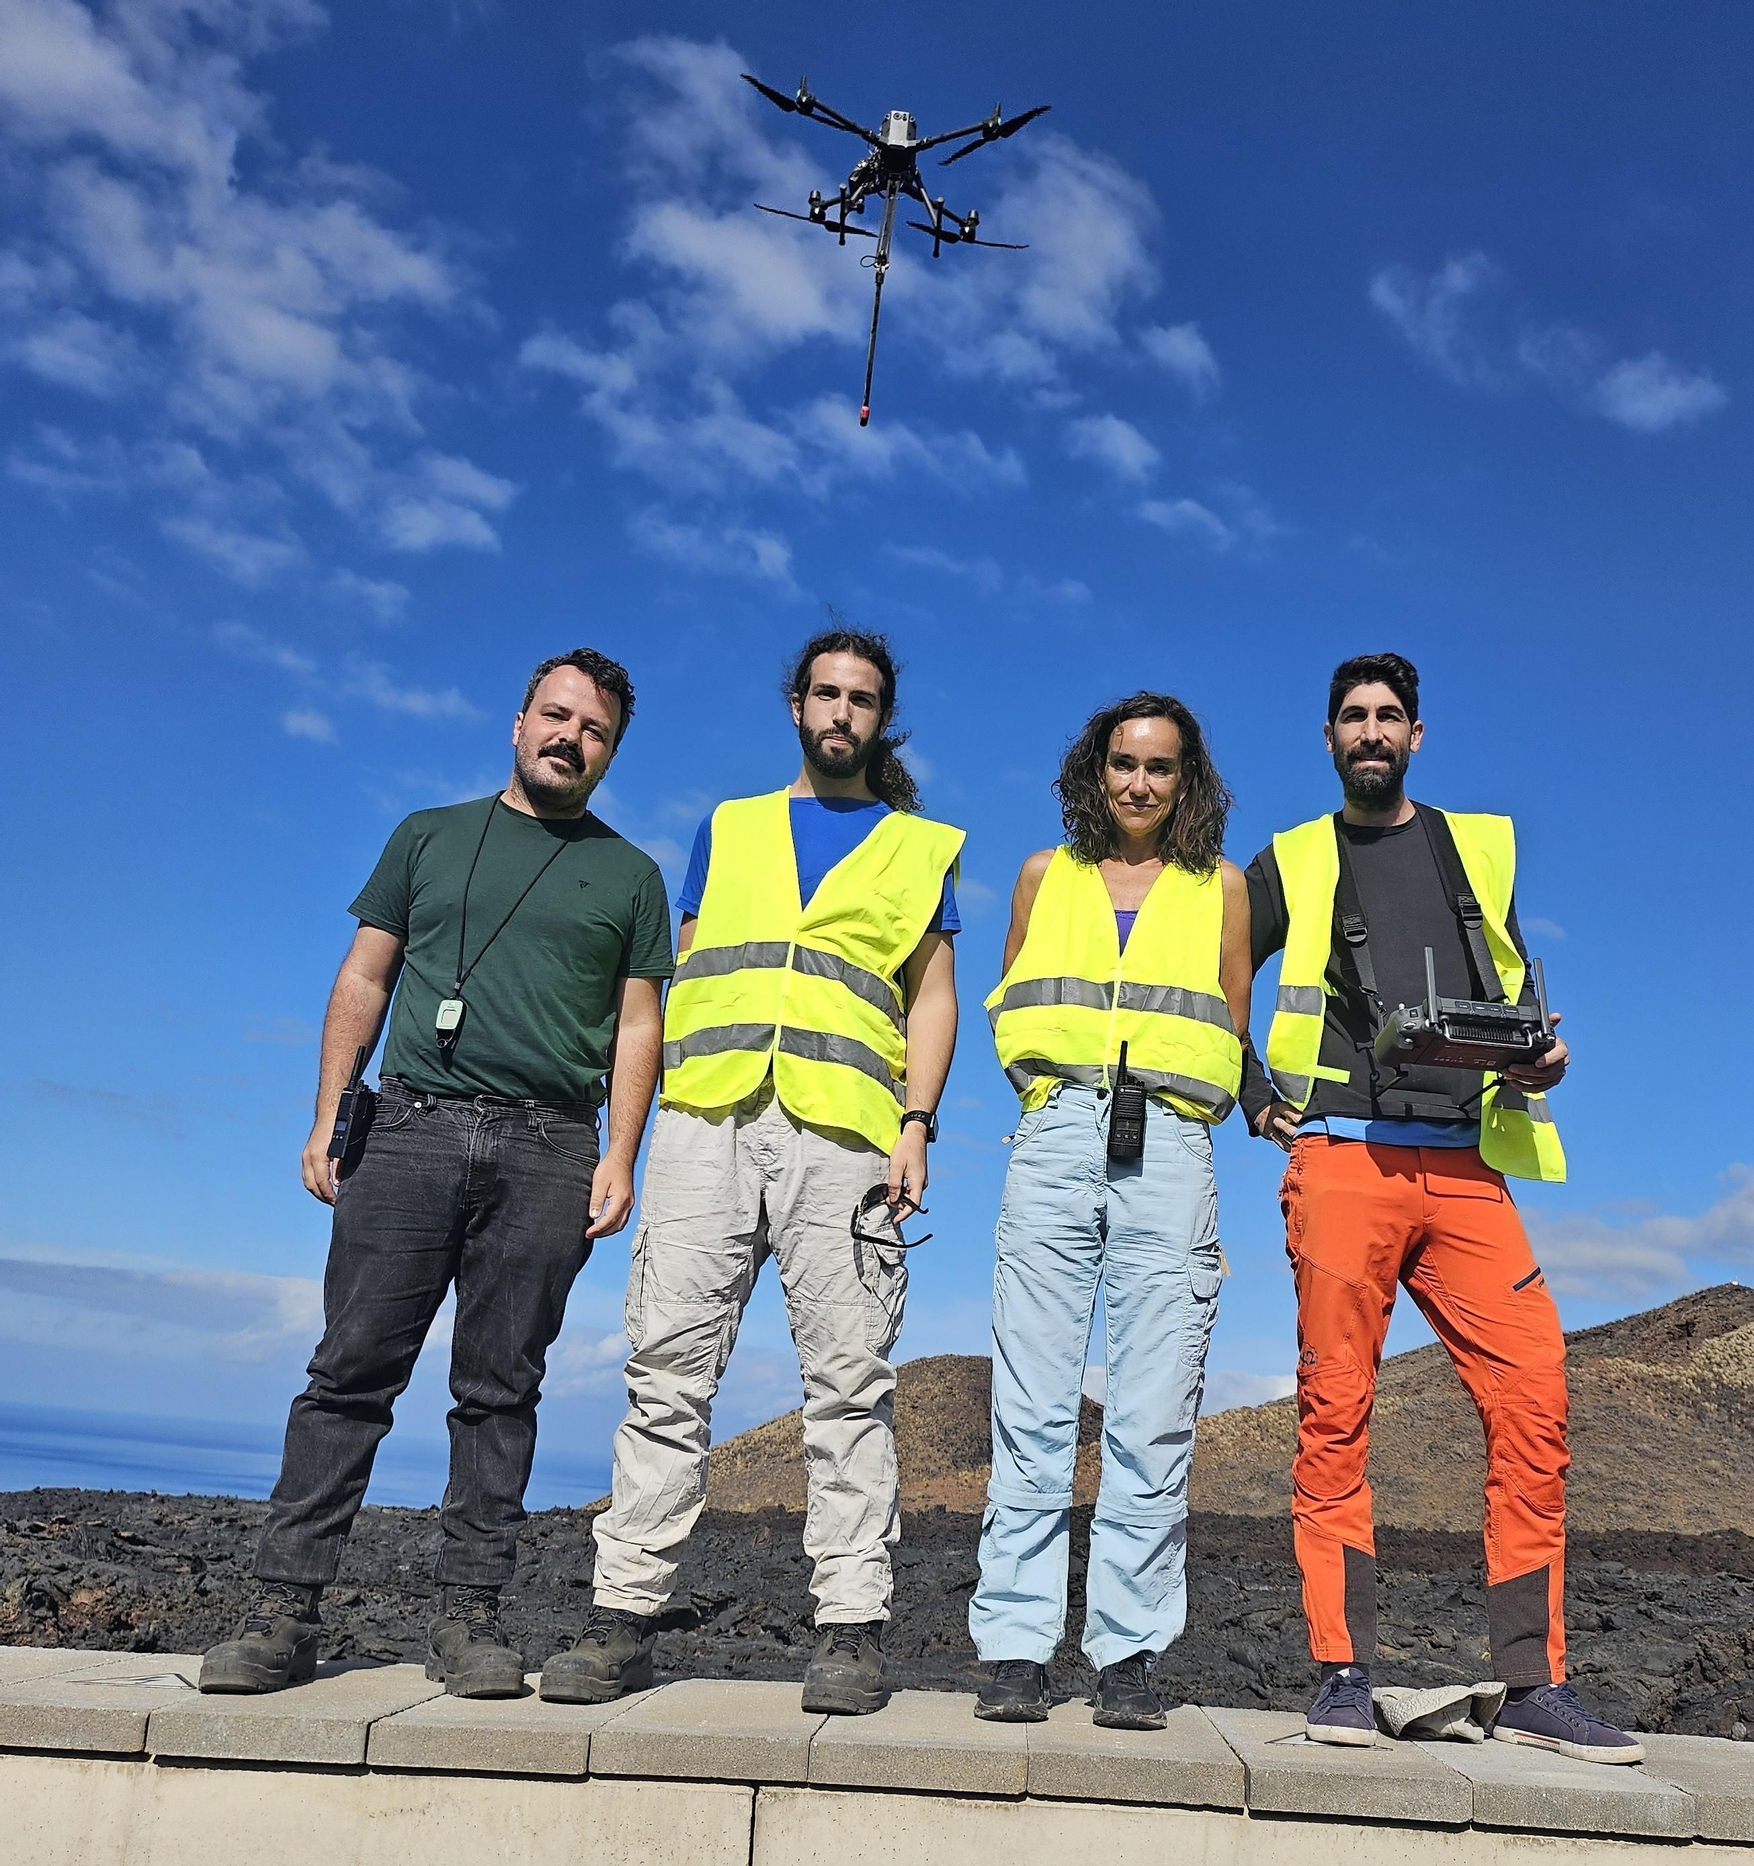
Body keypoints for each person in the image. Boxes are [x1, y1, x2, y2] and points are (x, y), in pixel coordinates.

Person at [199, 649, 673, 1699]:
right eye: (556, 716)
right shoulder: (426, 834)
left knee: (501, 1392)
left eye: (593, 731)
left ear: (610, 753)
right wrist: (330, 1111)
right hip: (407, 1125)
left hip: (553, 1145)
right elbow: (365, 974)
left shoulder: (632, 874)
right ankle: (282, 1613)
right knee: (349, 1374)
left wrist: (620, 1153)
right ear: (518, 723)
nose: (570, 738)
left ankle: (469, 1621)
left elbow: (641, 1025)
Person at [541, 626, 963, 1716]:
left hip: (848, 1136)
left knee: (850, 1386)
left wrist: (916, 1123)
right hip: (704, 1122)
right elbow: (674, 974)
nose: (840, 713)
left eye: (860, 699)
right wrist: (633, 1132)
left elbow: (931, 995)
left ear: (881, 717)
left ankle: (851, 1634)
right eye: (823, 693)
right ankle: (621, 1619)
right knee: (666, 1372)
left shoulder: (921, 849)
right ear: (795, 705)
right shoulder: (726, 829)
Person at [1239, 651, 1644, 1765]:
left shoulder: (1479, 847)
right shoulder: (1288, 858)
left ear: (1416, 735)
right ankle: (1339, 1674)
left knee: (1535, 1403)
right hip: (1342, 1162)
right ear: (1328, 739)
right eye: (1351, 717)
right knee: (1334, 1410)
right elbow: (1220, 965)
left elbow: (1513, 988)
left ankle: (1531, 1685)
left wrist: (1541, 1059)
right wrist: (1247, 1092)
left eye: (1387, 717)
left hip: (1466, 1167)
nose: (1370, 731)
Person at [970, 694, 1248, 1730]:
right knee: (1032, 1403)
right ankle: (1013, 1648)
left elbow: (1228, 1015)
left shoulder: (1221, 888)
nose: (1137, 783)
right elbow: (1012, 997)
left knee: (1151, 1409)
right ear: (1093, 772)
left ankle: (1126, 1654)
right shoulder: (1045, 876)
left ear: (1186, 781)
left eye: (1159, 768)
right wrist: (1059, 1106)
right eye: (1122, 763)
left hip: (1170, 1141)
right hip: (1055, 1135)